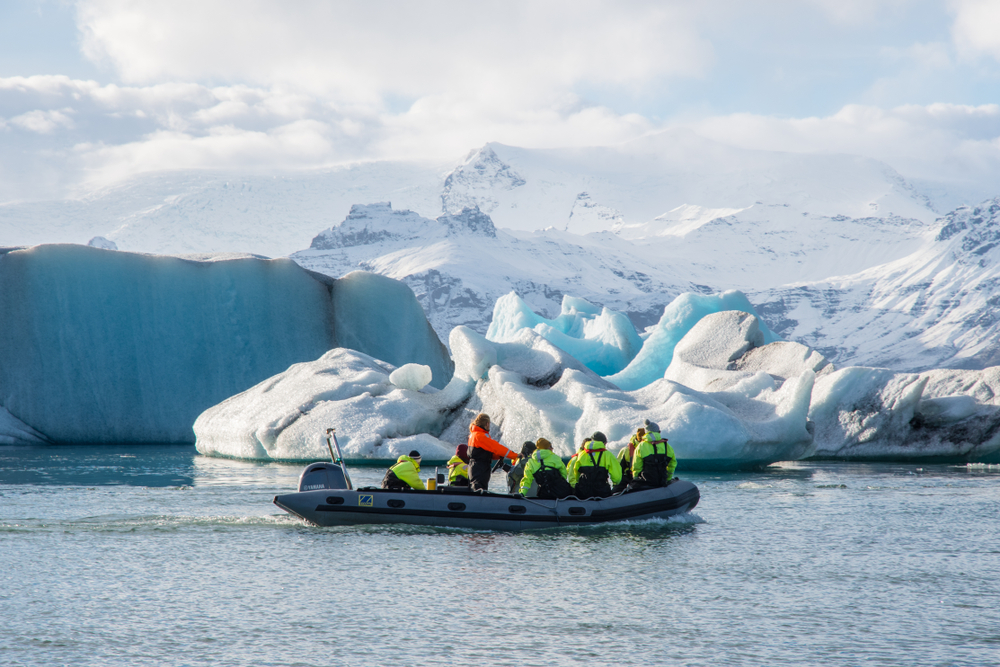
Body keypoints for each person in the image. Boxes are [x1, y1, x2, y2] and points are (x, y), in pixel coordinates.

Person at [466, 413, 518, 492]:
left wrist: (498, 456)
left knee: (477, 488)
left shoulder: (474, 435)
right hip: (480, 468)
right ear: (487, 424)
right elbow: (496, 447)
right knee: (479, 489)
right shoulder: (480, 436)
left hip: (476, 467)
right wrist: (515, 456)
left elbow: (483, 453)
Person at [569, 432, 622, 499]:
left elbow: (575, 474)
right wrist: (615, 484)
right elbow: (617, 478)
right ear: (604, 443)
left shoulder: (581, 455)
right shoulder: (608, 455)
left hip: (583, 492)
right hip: (602, 492)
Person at [630, 420, 677, 489]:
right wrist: (668, 478)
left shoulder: (641, 446)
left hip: (646, 482)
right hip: (662, 481)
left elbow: (636, 465)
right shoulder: (667, 446)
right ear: (658, 432)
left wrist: (636, 478)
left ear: (646, 432)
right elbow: (672, 464)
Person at [613, 427, 644, 492]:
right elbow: (619, 468)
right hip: (628, 476)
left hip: (642, 476)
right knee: (617, 488)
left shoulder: (648, 448)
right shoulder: (626, 450)